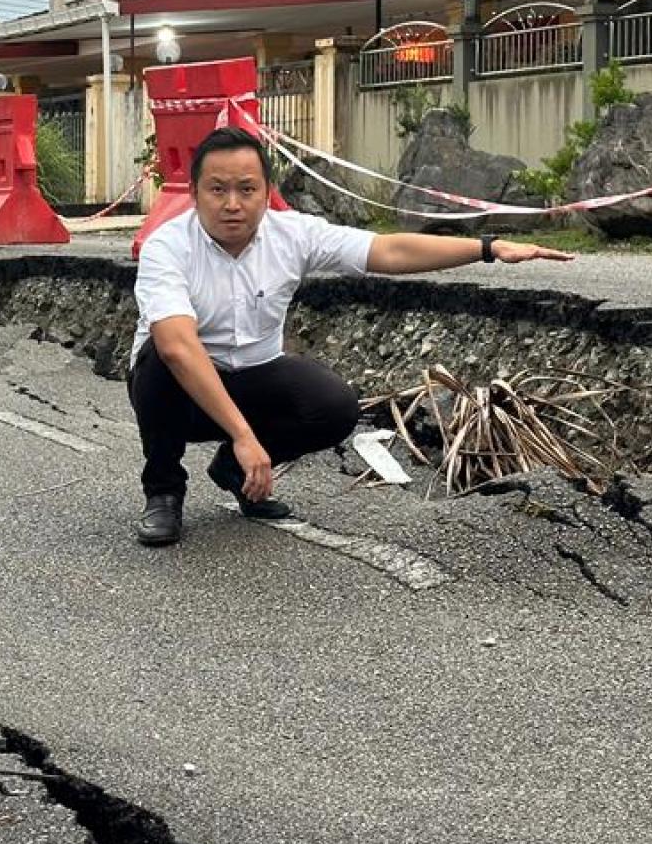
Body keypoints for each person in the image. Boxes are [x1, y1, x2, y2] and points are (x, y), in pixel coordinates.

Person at [128, 125, 575, 547]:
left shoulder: (293, 235)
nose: (232, 204)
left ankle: (232, 470)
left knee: (334, 407)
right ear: (194, 194)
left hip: (253, 375)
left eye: (247, 189)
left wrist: (487, 249)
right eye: (217, 189)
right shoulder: (168, 247)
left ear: (267, 194)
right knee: (162, 360)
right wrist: (245, 434)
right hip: (178, 392)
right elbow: (177, 345)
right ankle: (164, 491)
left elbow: (387, 249)